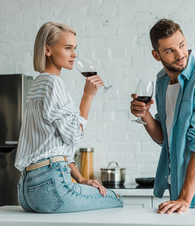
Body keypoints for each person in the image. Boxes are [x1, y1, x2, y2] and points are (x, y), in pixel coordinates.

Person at [15, 22, 123, 213]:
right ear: (47, 49)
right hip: (50, 187)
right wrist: (87, 97)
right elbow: (73, 135)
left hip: (26, 191)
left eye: (75, 48)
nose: (74, 54)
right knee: (116, 199)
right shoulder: (53, 84)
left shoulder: (37, 85)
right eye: (67, 48)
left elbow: (56, 146)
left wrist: (80, 179)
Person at [130, 19, 195, 214]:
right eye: (169, 51)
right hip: (175, 179)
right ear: (156, 55)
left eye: (182, 45)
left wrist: (185, 198)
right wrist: (145, 115)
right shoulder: (161, 81)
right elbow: (164, 138)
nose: (180, 54)